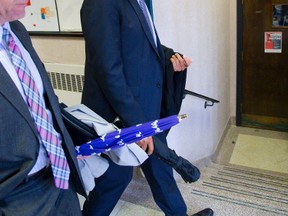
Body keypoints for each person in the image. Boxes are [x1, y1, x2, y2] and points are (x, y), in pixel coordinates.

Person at [80, 0, 213, 215]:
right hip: (120, 113)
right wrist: (137, 124)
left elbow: (142, 44)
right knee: (115, 179)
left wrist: (170, 56)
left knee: (159, 167)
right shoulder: (101, 3)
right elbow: (107, 69)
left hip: (142, 107)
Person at [0, 0, 86, 215]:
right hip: (15, 196)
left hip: (59, 179)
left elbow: (42, 104)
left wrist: (71, 140)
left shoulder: (17, 30)